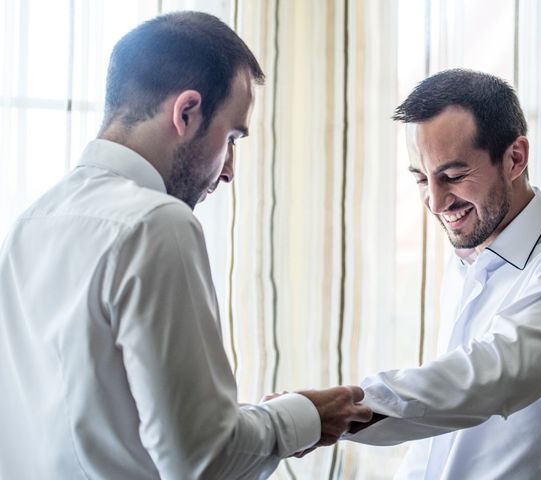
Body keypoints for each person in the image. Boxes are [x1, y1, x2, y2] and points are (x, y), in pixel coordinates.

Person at [0, 11, 371, 479]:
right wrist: (305, 418)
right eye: (232, 137)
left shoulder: (29, 223)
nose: (230, 169)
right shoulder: (156, 224)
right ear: (187, 112)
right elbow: (203, 462)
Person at [346, 69, 541, 479]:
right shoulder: (465, 259)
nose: (436, 203)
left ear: (515, 158)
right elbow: (441, 434)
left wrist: (335, 412)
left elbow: (490, 375)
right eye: (422, 179)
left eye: (453, 176)